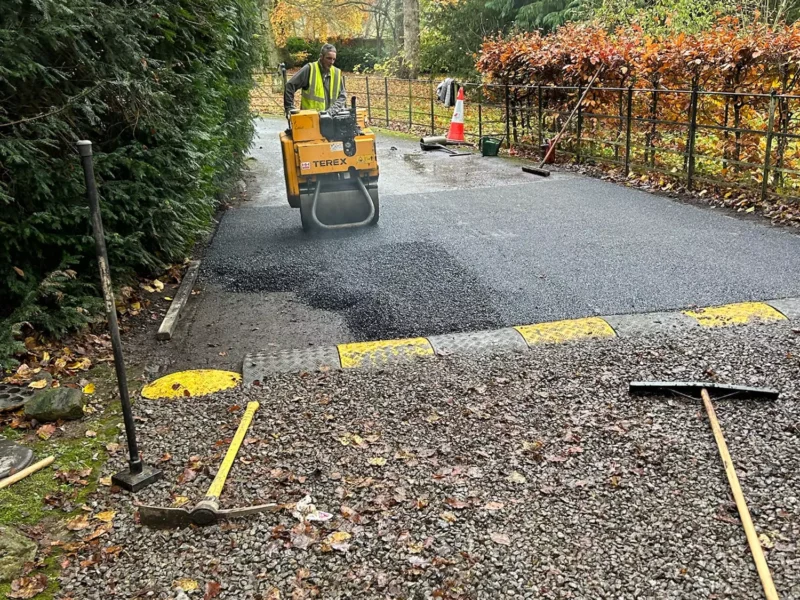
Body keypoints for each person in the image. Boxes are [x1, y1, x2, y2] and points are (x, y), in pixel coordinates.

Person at [284, 44, 347, 117]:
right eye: (329, 58)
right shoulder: (310, 69)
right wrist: (289, 109)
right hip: (310, 120)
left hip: (331, 120)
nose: (332, 62)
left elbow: (342, 96)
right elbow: (290, 85)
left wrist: (332, 111)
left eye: (334, 59)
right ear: (321, 57)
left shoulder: (336, 73)